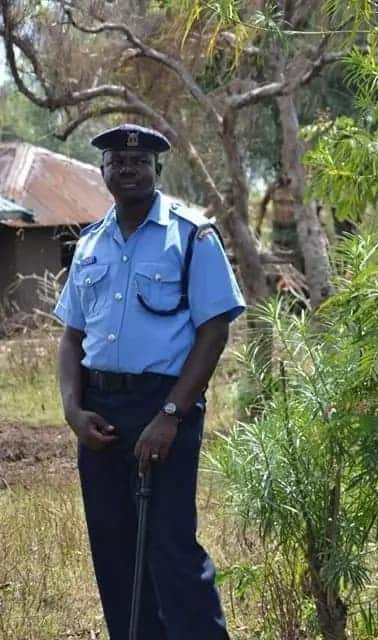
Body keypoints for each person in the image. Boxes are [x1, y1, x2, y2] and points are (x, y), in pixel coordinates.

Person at [54, 123, 244, 639]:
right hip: (98, 412)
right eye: (116, 161)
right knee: (114, 553)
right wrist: (73, 410)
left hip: (163, 408)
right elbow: (71, 337)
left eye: (139, 162)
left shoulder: (192, 235)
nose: (127, 169)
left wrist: (170, 416)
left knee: (170, 550)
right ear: (103, 171)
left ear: (158, 169)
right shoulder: (90, 243)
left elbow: (214, 332)